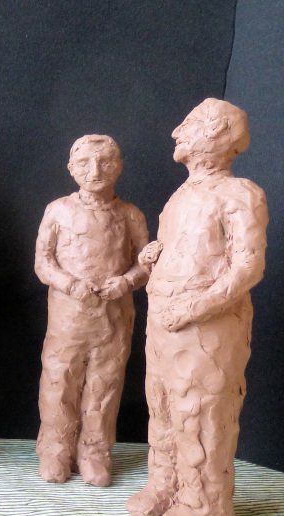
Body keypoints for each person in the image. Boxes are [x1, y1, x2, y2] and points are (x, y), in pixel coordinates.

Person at [127, 99, 267, 516]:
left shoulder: (241, 194)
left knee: (201, 414)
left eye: (188, 125)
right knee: (162, 407)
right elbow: (188, 250)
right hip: (163, 323)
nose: (176, 133)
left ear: (218, 134)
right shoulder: (181, 195)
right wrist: (153, 258)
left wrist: (195, 307)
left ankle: (202, 502)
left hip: (207, 328)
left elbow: (247, 267)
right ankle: (164, 485)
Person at [35, 134, 148, 487]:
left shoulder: (130, 215)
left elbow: (146, 263)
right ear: (71, 169)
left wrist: (125, 282)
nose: (95, 171)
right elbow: (43, 261)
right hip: (68, 317)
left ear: (119, 167)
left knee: (105, 384)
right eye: (84, 163)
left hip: (113, 318)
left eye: (105, 162)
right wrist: (70, 284)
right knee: (60, 379)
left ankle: (95, 451)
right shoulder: (58, 210)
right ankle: (56, 448)